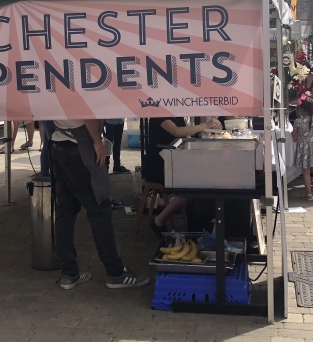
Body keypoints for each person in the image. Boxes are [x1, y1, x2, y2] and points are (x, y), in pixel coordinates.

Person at [51, 119, 149, 289]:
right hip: (80, 147)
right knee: (100, 211)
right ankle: (115, 273)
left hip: (58, 144)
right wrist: (97, 141)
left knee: (65, 211)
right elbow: (86, 111)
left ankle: (69, 273)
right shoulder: (79, 90)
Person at [148, 117, 222, 237]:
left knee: (202, 180)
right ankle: (159, 220)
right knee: (194, 186)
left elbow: (186, 137)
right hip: (159, 164)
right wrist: (205, 125)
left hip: (175, 161)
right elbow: (177, 132)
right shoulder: (159, 115)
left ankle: (199, 222)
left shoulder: (177, 116)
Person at [292, 96, 313, 200]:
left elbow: (294, 134)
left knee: (306, 172)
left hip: (304, 147)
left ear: (301, 110)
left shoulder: (298, 121)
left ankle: (309, 194)